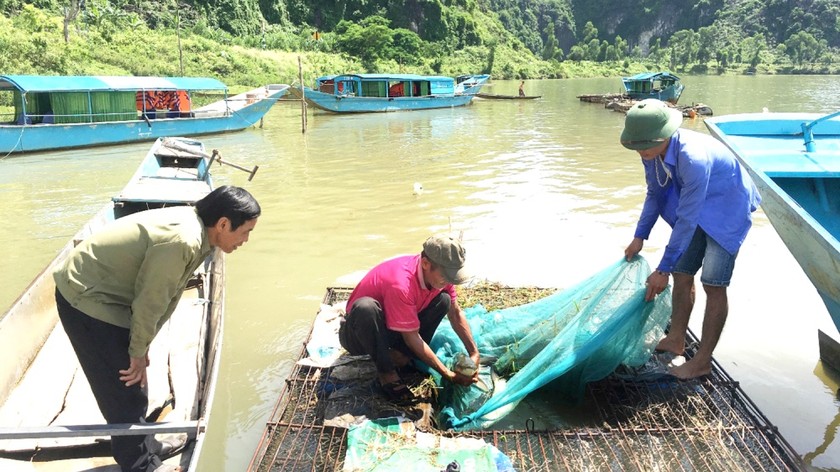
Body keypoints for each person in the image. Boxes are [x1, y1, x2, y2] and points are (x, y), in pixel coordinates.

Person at [53, 185, 261, 472]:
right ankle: (139, 465)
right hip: (86, 298)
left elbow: (169, 295)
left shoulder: (199, 233)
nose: (246, 240)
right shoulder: (183, 240)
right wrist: (137, 352)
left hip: (109, 292)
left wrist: (142, 345)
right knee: (124, 388)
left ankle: (144, 443)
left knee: (135, 382)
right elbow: (149, 303)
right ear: (224, 224)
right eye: (246, 231)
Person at [620, 99, 760, 380]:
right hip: (695, 207)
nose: (641, 152)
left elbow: (686, 219)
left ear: (665, 136)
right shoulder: (651, 154)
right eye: (636, 147)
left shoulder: (692, 158)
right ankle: (676, 338)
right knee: (682, 272)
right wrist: (639, 236)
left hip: (726, 209)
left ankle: (702, 361)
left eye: (645, 146)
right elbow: (655, 193)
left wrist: (661, 270)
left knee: (713, 283)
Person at [338, 235, 480, 402]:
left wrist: (474, 352)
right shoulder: (401, 284)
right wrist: (448, 374)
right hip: (361, 334)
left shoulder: (440, 275)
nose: (449, 281)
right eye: (446, 276)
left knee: (444, 300)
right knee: (366, 307)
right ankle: (387, 373)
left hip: (394, 327)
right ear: (426, 264)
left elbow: (455, 313)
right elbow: (411, 336)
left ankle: (402, 356)